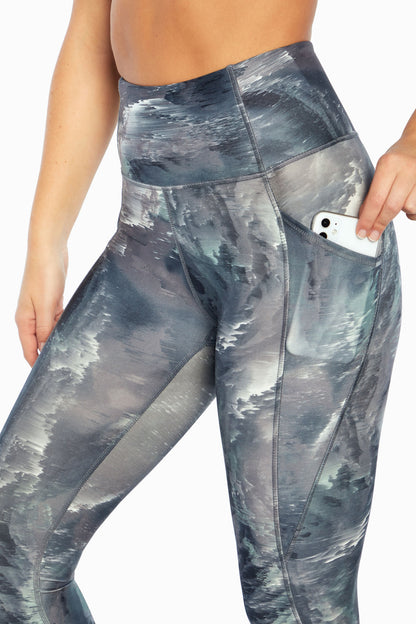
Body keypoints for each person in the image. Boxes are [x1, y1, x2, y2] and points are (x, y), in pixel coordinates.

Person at [0, 1, 415, 622]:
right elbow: (91, 38)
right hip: (152, 231)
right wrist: (45, 243)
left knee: (291, 589)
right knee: (14, 542)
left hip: (297, 217)